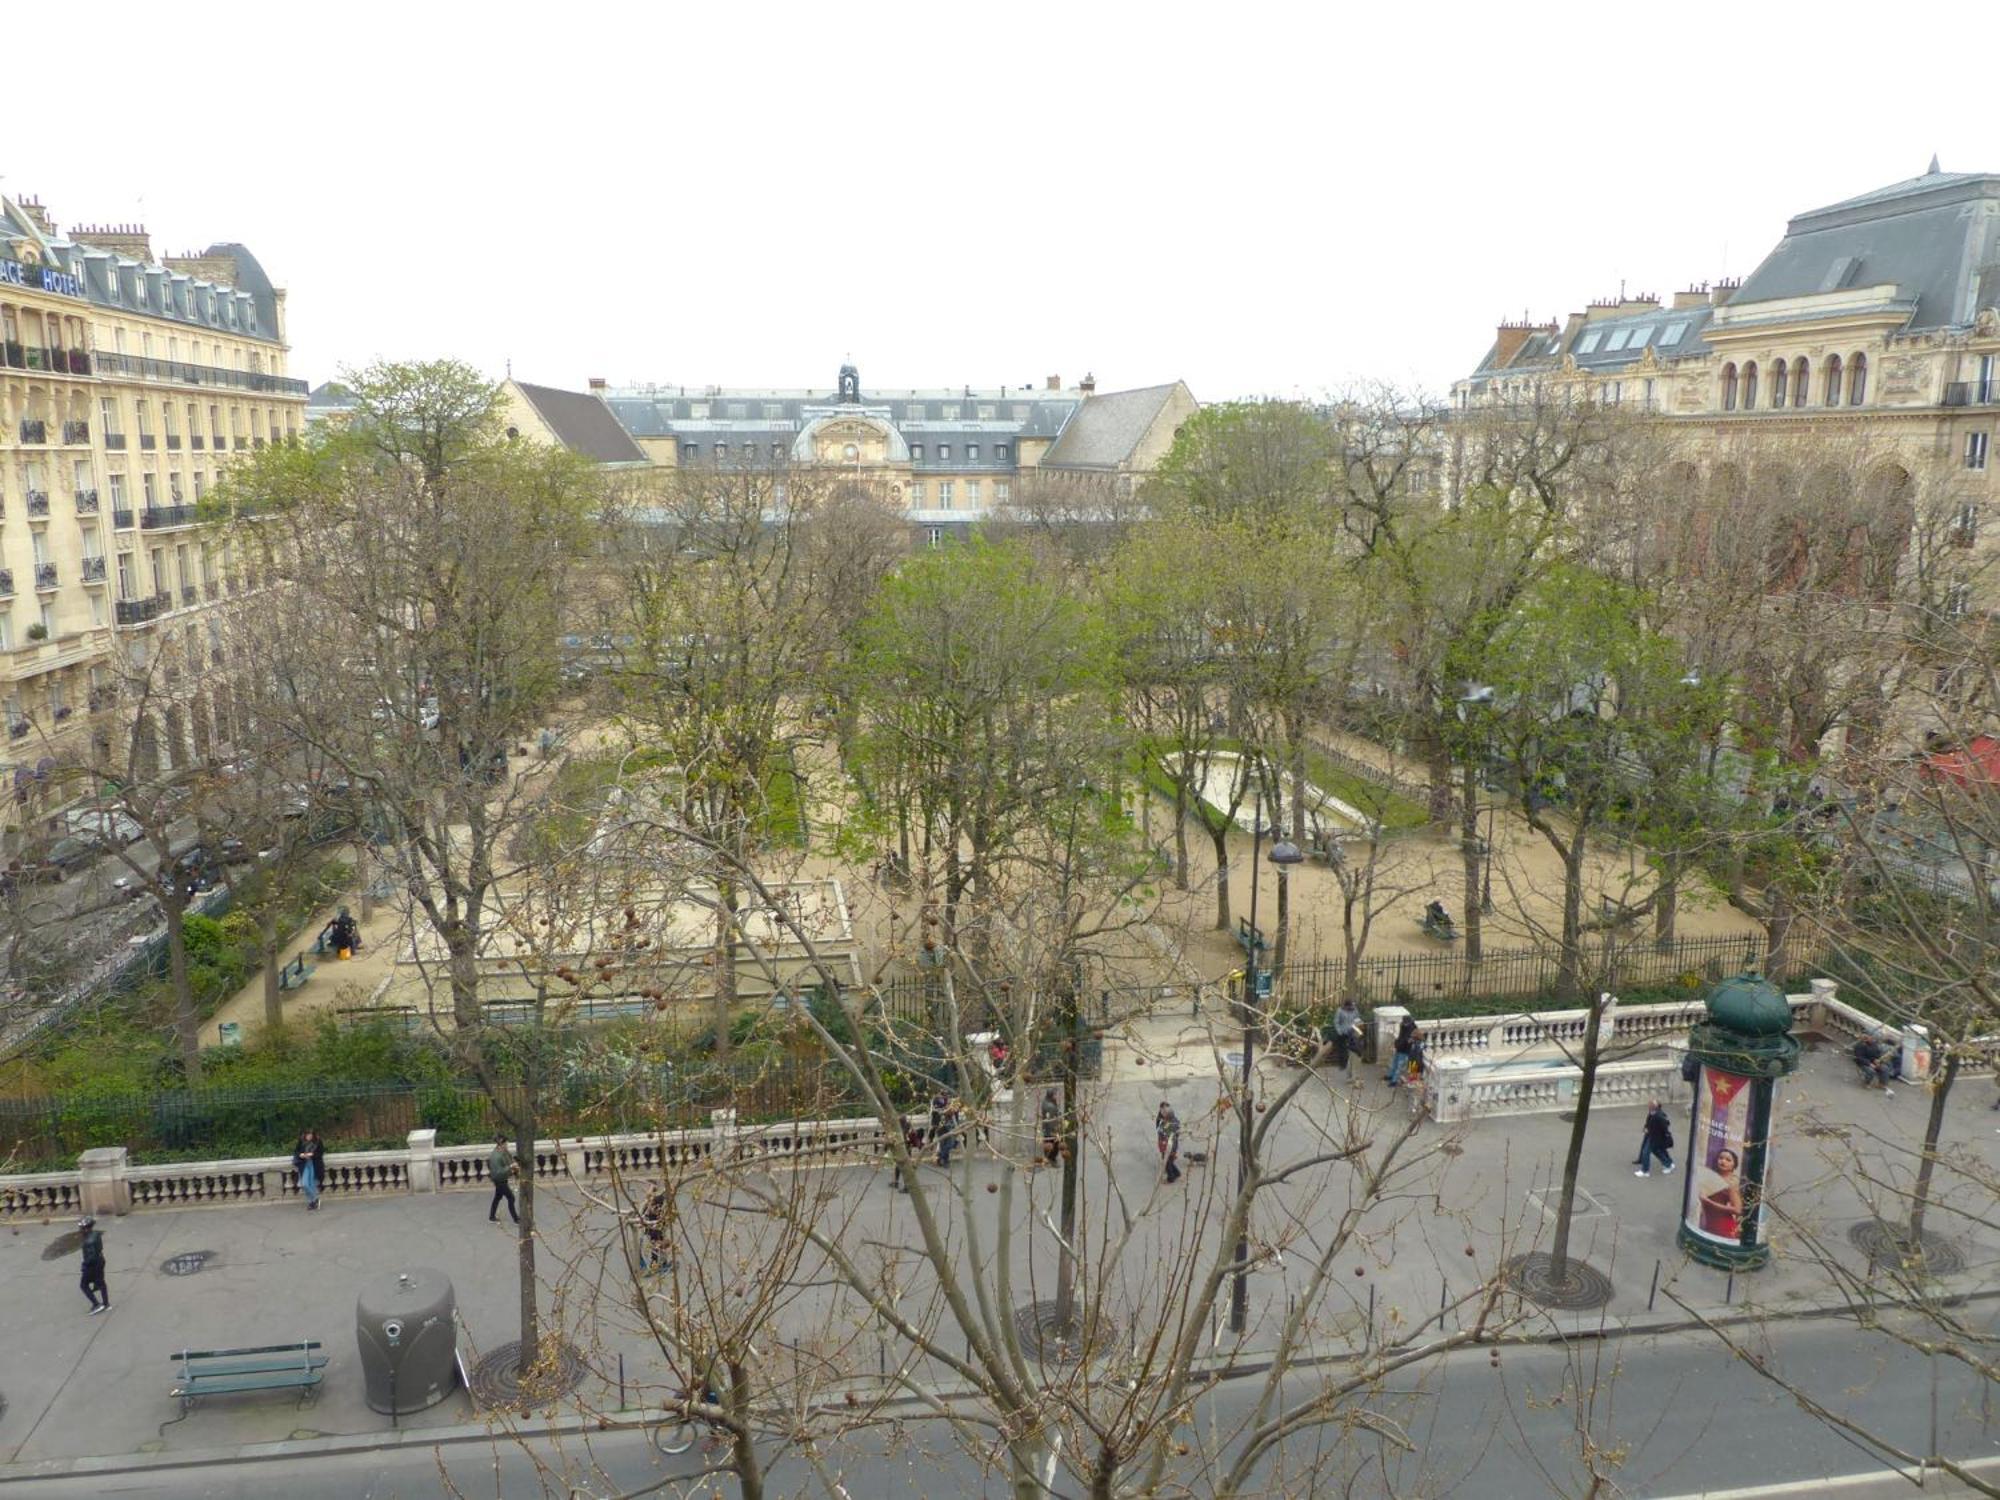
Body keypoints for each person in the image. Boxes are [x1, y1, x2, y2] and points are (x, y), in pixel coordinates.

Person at [1695, 1148, 1744, 1239]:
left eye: (1728, 1160)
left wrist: (1709, 1202)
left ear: (1734, 1165)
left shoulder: (1731, 1183)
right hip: (1708, 1223)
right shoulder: (1712, 1176)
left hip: (1723, 1226)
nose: (1723, 1161)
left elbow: (1737, 1210)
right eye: (1721, 1158)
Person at [1634, 1100, 1676, 1177]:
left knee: (1646, 1152)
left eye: (1650, 1106)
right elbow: (1649, 1123)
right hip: (1653, 1136)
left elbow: (1665, 1126)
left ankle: (1645, 1171)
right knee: (1657, 1151)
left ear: (1654, 1107)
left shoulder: (1658, 1115)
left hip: (1655, 1137)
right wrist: (1647, 1128)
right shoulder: (1653, 1114)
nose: (1648, 1107)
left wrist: (1649, 1129)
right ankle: (1668, 1163)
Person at [77, 1216, 109, 1314]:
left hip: (92, 1265)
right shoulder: (96, 1234)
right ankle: (106, 1304)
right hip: (101, 1260)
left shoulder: (88, 1242)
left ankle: (96, 1304)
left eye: (82, 1228)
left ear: (86, 1228)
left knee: (83, 1285)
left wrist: (84, 1265)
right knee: (101, 1283)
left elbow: (91, 1258)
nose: (80, 1230)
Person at [638, 1184, 671, 1274]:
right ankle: (652, 1264)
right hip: (652, 1229)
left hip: (656, 1228)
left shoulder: (658, 1201)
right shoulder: (652, 1202)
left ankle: (660, 1263)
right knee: (655, 1245)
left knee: (658, 1244)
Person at [488, 1134, 520, 1224]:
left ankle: (491, 1216)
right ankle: (516, 1219)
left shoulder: (504, 1151)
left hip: (502, 1179)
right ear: (501, 1144)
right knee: (511, 1198)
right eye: (506, 1144)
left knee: (497, 1197)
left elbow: (510, 1159)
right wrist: (511, 1167)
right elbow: (498, 1172)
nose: (507, 1145)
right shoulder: (495, 1157)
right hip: (499, 1180)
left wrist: (514, 1165)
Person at [292, 1128, 326, 1212]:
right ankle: (315, 1199)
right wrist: (301, 1155)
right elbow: (296, 1151)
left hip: (314, 1164)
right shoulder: (301, 1141)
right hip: (304, 1164)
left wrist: (312, 1154)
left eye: (310, 1135)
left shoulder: (317, 1141)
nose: (309, 1136)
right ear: (305, 1134)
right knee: (305, 1184)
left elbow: (321, 1153)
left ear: (313, 1135)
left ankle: (311, 1202)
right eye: (307, 1134)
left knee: (311, 1183)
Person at [1329, 998, 1364, 1072]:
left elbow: (1358, 1019)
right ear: (1346, 1006)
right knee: (1342, 1049)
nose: (1352, 1008)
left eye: (1353, 1006)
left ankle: (1351, 1063)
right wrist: (1339, 1031)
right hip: (1343, 1032)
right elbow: (1336, 1022)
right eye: (1351, 1006)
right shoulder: (1340, 1011)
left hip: (1352, 1032)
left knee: (1353, 1048)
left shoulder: (1354, 1010)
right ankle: (1342, 1065)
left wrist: (1359, 1026)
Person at [1387, 1016, 1421, 1088]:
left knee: (1399, 1066)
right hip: (1400, 1048)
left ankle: (1394, 1081)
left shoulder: (1413, 1029)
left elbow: (1409, 1041)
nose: (1404, 1023)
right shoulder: (1403, 1026)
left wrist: (1407, 1042)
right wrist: (1397, 1044)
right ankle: (1391, 1076)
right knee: (1395, 1063)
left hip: (1405, 1051)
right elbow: (1401, 1037)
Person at [1155, 1102, 1182, 1183]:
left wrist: (1160, 1123)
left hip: (1170, 1146)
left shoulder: (1172, 1123)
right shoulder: (1165, 1121)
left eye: (1163, 1112)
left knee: (1167, 1162)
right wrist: (1159, 1119)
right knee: (1168, 1161)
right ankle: (1177, 1173)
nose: (1162, 1114)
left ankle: (1171, 1178)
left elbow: (1161, 1130)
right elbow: (1159, 1129)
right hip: (1164, 1145)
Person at [935, 1098, 961, 1168]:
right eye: (955, 1106)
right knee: (944, 1146)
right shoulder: (944, 1110)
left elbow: (955, 1121)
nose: (957, 1108)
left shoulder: (954, 1112)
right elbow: (943, 1115)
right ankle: (944, 1160)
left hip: (950, 1131)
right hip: (942, 1130)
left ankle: (941, 1158)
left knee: (949, 1145)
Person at [1039, 1088, 1062, 1167]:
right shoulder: (1050, 1106)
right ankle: (1052, 1160)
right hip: (1050, 1130)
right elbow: (1052, 1121)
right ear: (1052, 1096)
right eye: (1055, 1095)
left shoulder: (1046, 1102)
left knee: (1048, 1143)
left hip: (1046, 1128)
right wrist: (1056, 1132)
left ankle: (1048, 1159)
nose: (1057, 1096)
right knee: (1054, 1146)